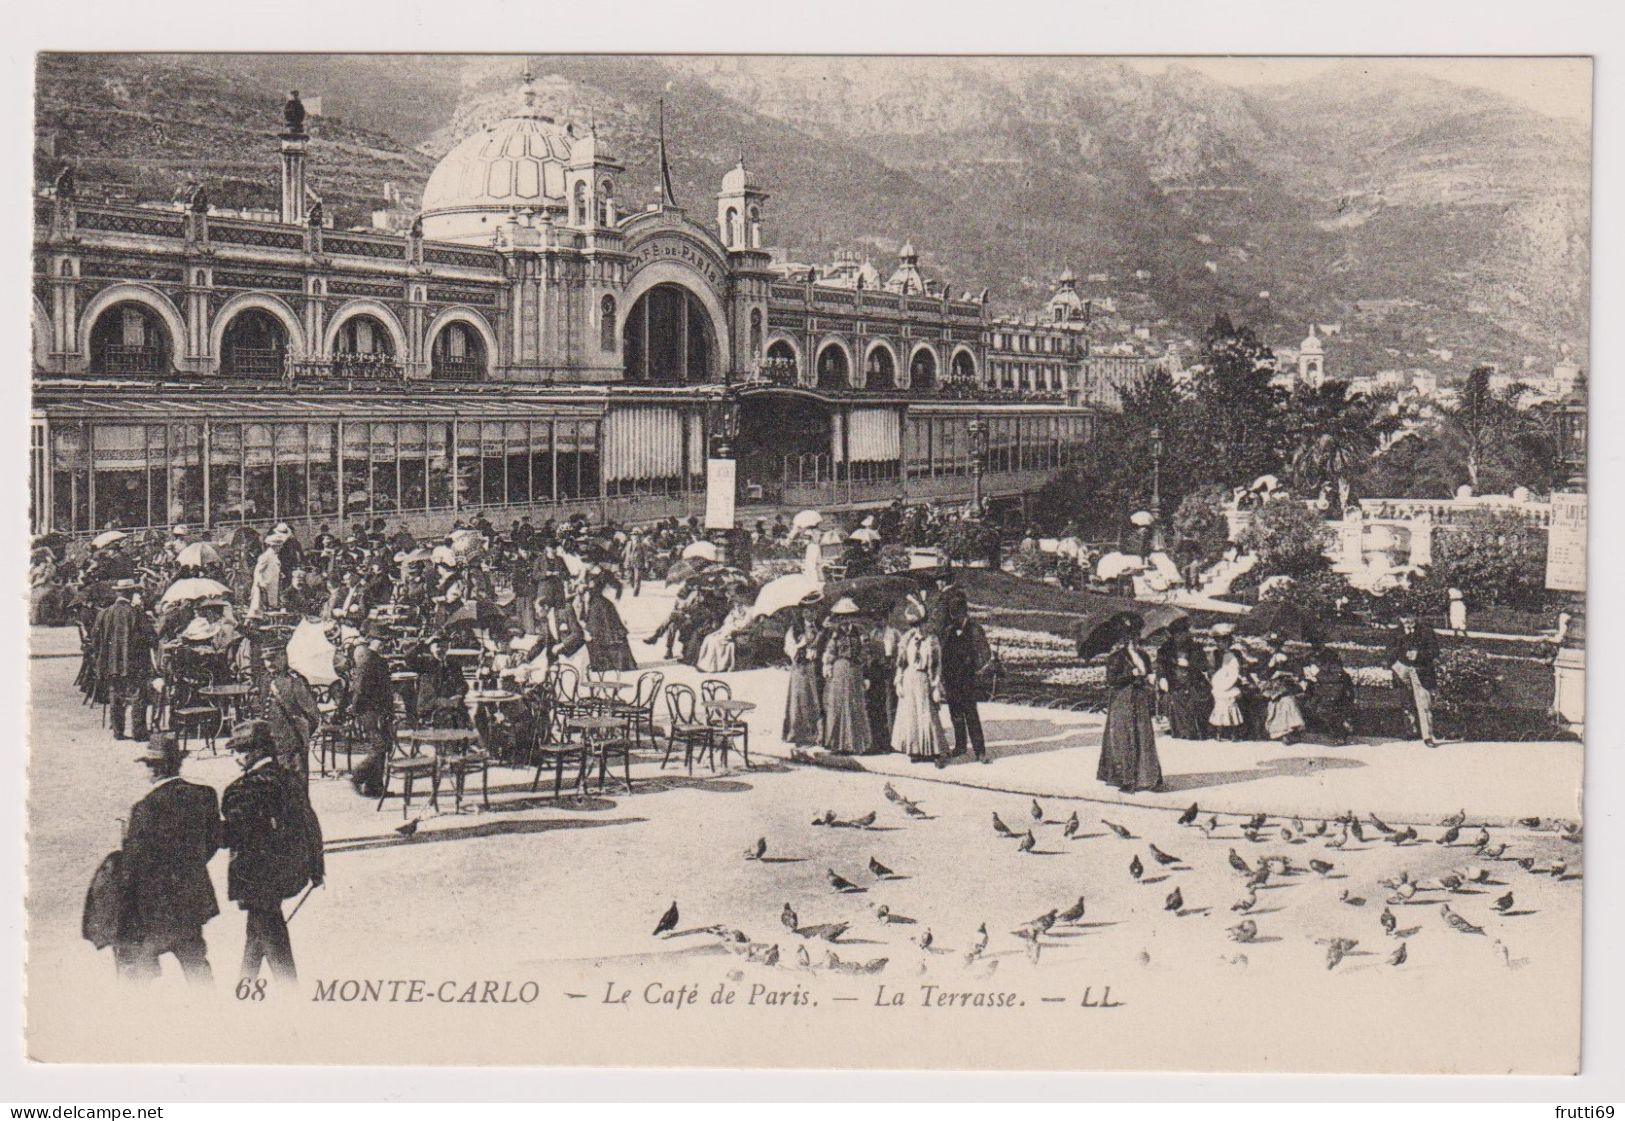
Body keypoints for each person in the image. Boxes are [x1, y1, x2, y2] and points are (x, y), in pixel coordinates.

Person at [221, 720, 324, 984]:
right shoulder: (290, 779)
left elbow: (236, 834)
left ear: (250, 753)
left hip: (257, 879)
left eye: (237, 751)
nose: (235, 757)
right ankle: (244, 988)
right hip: (290, 871)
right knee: (257, 933)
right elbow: (310, 822)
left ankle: (291, 1002)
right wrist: (316, 867)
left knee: (274, 942)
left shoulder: (243, 789)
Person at [114, 733, 221, 983]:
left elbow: (133, 865)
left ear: (153, 769)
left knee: (140, 971)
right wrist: (191, 863)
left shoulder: (146, 808)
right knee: (196, 965)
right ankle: (214, 1015)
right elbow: (214, 840)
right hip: (191, 897)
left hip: (156, 906)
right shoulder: (204, 795)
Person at [1097, 614, 1162, 792]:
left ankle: (1145, 778)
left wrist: (1151, 678)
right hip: (1122, 701)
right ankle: (1124, 778)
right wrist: (1129, 675)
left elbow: (1147, 672)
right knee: (1123, 737)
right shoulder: (1116, 658)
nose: (1133, 640)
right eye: (1128, 637)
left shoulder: (1143, 655)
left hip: (1139, 700)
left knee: (1142, 735)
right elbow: (1112, 680)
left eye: (1135, 636)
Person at [90, 579, 157, 741]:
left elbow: (95, 639)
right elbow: (152, 639)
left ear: (118, 593)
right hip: (134, 662)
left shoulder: (104, 613)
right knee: (137, 695)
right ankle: (139, 732)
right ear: (130, 593)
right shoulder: (136, 613)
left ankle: (118, 731)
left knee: (115, 695)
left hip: (111, 663)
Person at [937, 587, 993, 763]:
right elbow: (942, 652)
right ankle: (960, 746)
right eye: (953, 614)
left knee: (971, 714)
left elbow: (985, 654)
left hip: (967, 679)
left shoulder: (975, 629)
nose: (954, 617)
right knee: (955, 714)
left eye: (957, 613)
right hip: (951, 678)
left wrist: (973, 666)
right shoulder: (949, 629)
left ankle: (979, 751)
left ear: (963, 611)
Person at [890, 598, 947, 766]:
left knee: (927, 714)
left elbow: (936, 664)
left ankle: (934, 750)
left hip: (923, 679)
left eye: (921, 624)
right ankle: (915, 750)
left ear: (925, 623)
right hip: (909, 679)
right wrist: (899, 681)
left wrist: (936, 686)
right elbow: (901, 662)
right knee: (911, 715)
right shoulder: (906, 640)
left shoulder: (932, 641)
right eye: (914, 625)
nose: (918, 628)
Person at [344, 626, 397, 797]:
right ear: (371, 641)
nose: (384, 645)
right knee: (380, 747)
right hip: (371, 711)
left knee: (384, 746)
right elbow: (359, 688)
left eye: (386, 642)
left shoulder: (375, 659)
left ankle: (374, 787)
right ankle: (357, 775)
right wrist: (356, 708)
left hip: (379, 710)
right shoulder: (368, 659)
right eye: (381, 641)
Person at [820, 598, 875, 755]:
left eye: (848, 616)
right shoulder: (835, 634)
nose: (845, 620)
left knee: (854, 704)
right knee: (837, 705)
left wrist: (865, 670)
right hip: (839, 669)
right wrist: (828, 665)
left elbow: (865, 652)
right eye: (842, 616)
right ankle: (837, 743)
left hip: (854, 670)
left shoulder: (860, 632)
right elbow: (830, 651)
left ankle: (856, 743)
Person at [261, 645, 322, 777]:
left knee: (296, 782)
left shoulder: (295, 681)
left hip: (293, 740)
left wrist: (302, 737)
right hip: (273, 739)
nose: (269, 664)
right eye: (266, 660)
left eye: (273, 659)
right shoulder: (265, 679)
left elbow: (312, 714)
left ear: (284, 657)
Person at [1387, 611, 1440, 747]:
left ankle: (1427, 737)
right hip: (1402, 669)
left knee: (1424, 703)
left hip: (1421, 670)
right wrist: (1395, 665)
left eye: (1409, 616)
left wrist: (1419, 655)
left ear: (1415, 616)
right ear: (1400, 618)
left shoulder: (1426, 631)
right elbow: (1389, 652)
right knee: (1406, 701)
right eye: (1403, 616)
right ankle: (1410, 731)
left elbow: (1434, 652)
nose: (1407, 620)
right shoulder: (1396, 633)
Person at [782, 596, 825, 750]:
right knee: (801, 700)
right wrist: (802, 644)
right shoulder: (795, 629)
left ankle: (819, 735)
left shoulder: (821, 628)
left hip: (817, 669)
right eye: (807, 611)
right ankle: (800, 735)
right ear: (802, 613)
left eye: (813, 611)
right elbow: (789, 648)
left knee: (817, 700)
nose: (810, 614)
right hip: (801, 669)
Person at [1156, 617, 1209, 739]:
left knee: (1196, 696)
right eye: (1178, 634)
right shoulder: (1165, 649)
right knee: (1174, 697)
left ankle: (1196, 730)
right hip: (1174, 681)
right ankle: (1181, 731)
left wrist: (1190, 664)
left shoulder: (1195, 647)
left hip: (1193, 680)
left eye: (1183, 633)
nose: (1181, 637)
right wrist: (1162, 678)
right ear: (1173, 635)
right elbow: (1161, 666)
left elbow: (1204, 665)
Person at [579, 571, 636, 672]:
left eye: (587, 562)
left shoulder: (604, 573)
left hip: (602, 607)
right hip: (590, 606)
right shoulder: (585, 573)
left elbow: (618, 585)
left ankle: (620, 663)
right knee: (594, 633)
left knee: (609, 633)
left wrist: (617, 599)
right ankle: (601, 664)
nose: (585, 564)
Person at [1303, 649, 1355, 745]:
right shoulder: (1331, 670)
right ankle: (1341, 728)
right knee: (1321, 710)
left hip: (1334, 698)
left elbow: (1333, 684)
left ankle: (1342, 730)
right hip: (1332, 696)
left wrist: (1315, 678)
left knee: (1326, 712)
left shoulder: (1333, 671)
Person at [697, 592, 752, 674]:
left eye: (738, 603)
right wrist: (732, 617)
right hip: (727, 629)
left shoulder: (749, 612)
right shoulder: (734, 611)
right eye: (735, 604)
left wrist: (735, 623)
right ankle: (706, 665)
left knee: (716, 641)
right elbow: (726, 621)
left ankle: (718, 666)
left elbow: (744, 624)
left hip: (736, 631)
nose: (736, 605)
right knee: (709, 638)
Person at [1207, 623, 1245, 740]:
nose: (1220, 644)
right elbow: (1211, 670)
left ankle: (1234, 732)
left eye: (1223, 641)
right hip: (1219, 685)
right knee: (1219, 708)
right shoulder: (1214, 654)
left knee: (1232, 707)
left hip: (1232, 683)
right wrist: (1216, 678)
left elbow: (1238, 669)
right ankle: (1219, 732)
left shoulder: (1235, 654)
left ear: (1229, 642)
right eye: (1218, 641)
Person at [1261, 654, 1307, 744]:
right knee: (1278, 707)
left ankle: (1290, 732)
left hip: (1287, 696)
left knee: (1289, 703)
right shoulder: (1270, 675)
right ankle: (1281, 733)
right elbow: (1265, 688)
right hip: (1275, 698)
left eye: (1282, 663)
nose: (1280, 665)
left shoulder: (1288, 675)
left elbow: (1298, 687)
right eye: (1278, 663)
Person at [248, 532, 285, 617]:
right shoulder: (266, 556)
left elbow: (273, 568)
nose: (280, 547)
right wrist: (260, 583)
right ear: (274, 546)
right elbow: (257, 571)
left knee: (272, 606)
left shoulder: (274, 556)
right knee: (260, 609)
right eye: (279, 545)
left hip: (273, 585)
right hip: (265, 586)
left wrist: (279, 574)